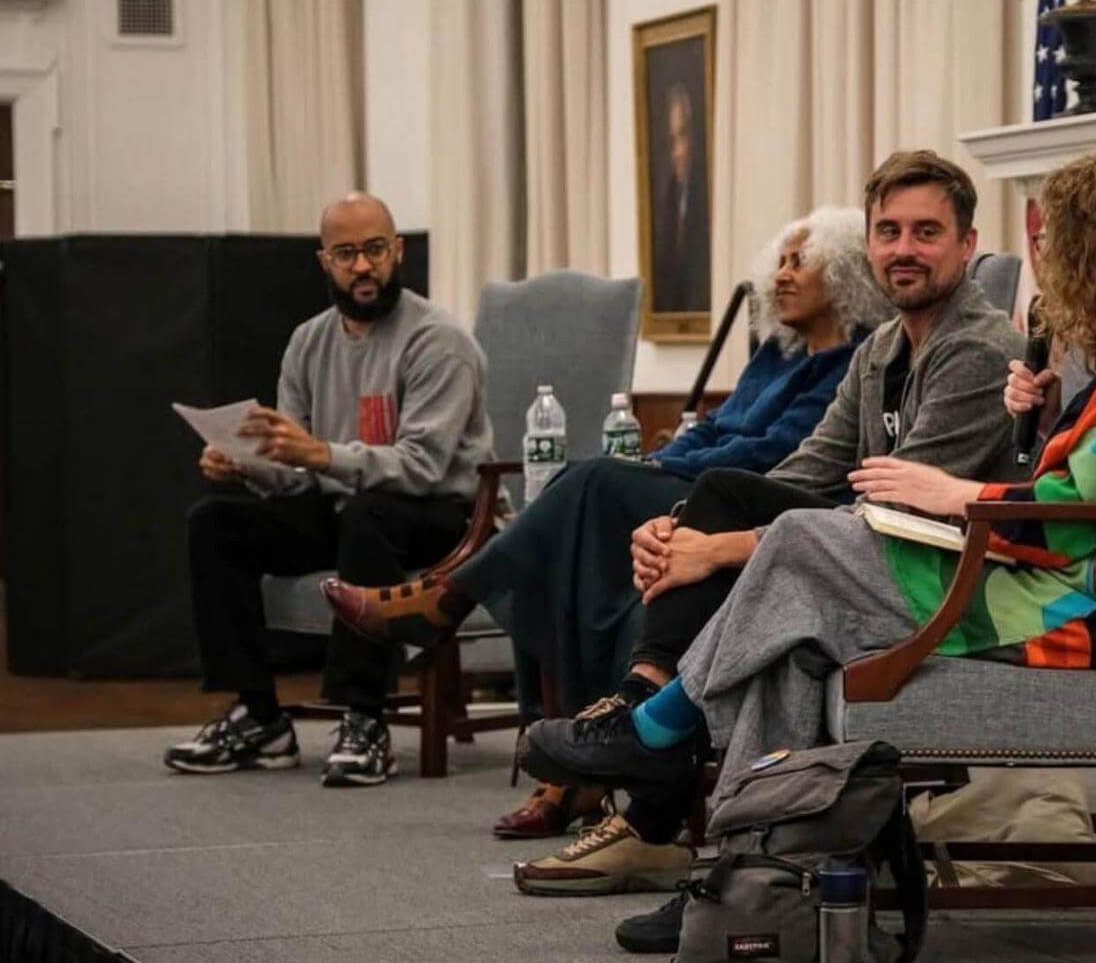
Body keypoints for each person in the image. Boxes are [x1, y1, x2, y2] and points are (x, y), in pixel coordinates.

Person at [520, 150, 1096, 953]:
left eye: (1052, 241)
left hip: (1088, 610)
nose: (1044, 261)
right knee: (792, 636)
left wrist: (955, 494)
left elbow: (1077, 520)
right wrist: (1044, 423)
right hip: (1064, 586)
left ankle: (660, 729)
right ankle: (747, 878)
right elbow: (1084, 491)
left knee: (798, 548)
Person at [505, 149, 1026, 904]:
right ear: (870, 243)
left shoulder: (977, 349)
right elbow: (804, 471)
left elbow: (903, 512)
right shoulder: (881, 348)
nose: (904, 249)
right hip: (875, 565)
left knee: (773, 593)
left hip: (938, 584)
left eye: (927, 232)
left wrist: (719, 549)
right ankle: (677, 780)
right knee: (723, 493)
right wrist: (680, 531)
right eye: (888, 231)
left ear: (967, 244)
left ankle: (665, 792)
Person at [320, 205, 890, 836]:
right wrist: (661, 461)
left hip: (748, 502)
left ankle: (450, 600)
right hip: (694, 483)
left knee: (589, 481)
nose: (781, 276)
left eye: (800, 262)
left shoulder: (850, 362)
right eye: (779, 262)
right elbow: (718, 430)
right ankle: (571, 766)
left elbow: (769, 454)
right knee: (585, 560)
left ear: (844, 273)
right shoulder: (776, 355)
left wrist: (660, 465)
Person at [164, 192, 494, 788]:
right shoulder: (308, 342)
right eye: (346, 254)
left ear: (397, 252)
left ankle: (363, 717)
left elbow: (423, 467)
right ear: (325, 262)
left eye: (375, 249)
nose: (362, 266)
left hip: (447, 515)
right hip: (352, 508)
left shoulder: (438, 340)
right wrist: (247, 465)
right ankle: (259, 716)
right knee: (215, 524)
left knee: (369, 514)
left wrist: (318, 454)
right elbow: (296, 473)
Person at [652, 83, 711, 313]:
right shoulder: (666, 202)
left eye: (683, 136)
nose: (678, 152)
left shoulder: (707, 197)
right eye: (672, 140)